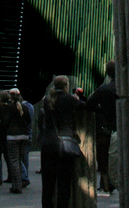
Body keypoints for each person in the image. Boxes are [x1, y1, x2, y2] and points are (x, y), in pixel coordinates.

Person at [40, 75, 87, 208]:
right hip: (64, 145)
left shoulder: (47, 100)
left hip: (48, 143)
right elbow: (84, 106)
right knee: (64, 184)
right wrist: (79, 97)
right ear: (66, 86)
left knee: (48, 184)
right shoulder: (68, 99)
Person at [87, 60, 117, 195]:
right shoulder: (128, 88)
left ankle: (105, 186)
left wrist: (100, 110)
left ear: (107, 73)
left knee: (104, 159)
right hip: (122, 128)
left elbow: (89, 104)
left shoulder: (103, 90)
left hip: (106, 129)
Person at [0, 87, 32, 193]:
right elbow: (28, 121)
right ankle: (22, 179)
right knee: (20, 159)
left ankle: (17, 185)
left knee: (13, 160)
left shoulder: (8, 108)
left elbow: (4, 122)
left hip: (12, 136)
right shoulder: (25, 107)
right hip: (24, 135)